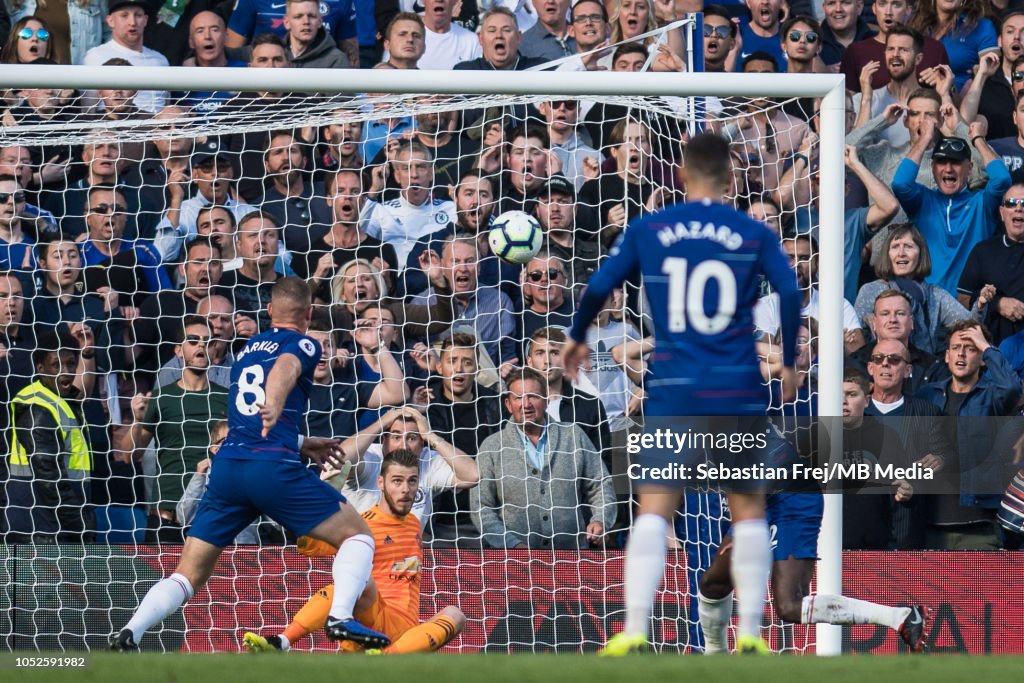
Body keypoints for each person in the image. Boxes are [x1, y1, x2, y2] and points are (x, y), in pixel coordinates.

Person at [563, 132, 802, 656]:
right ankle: (752, 634)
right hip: (736, 388)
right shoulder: (752, 232)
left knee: (653, 511)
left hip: (673, 388)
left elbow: (600, 283)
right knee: (748, 511)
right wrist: (788, 358)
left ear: (680, 174)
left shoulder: (651, 228)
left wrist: (579, 337)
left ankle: (633, 628)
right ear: (732, 177)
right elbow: (788, 291)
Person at [110, 277, 392, 651]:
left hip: (228, 469)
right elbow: (286, 367)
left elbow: (245, 416)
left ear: (269, 311)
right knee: (357, 536)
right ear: (308, 313)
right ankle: (340, 616)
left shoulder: (246, 351)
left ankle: (131, 631)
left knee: (188, 573)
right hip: (271, 468)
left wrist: (302, 441)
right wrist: (275, 403)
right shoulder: (304, 342)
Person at [698, 368, 929, 654]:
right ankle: (713, 656)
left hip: (794, 500)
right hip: (759, 502)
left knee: (789, 605)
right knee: (713, 583)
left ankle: (900, 617)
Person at [242, 448, 467, 655]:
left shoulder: (414, 524)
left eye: (412, 481)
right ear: (380, 482)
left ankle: (386, 655)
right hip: (372, 618)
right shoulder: (360, 525)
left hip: (407, 631)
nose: (405, 489)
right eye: (397, 481)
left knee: (455, 614)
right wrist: (319, 506)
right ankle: (281, 641)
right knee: (354, 583)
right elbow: (309, 547)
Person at [471, 367, 616, 550]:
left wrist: (600, 520)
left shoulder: (573, 435)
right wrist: (512, 545)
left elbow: (601, 483)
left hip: (571, 558)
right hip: (512, 564)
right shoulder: (491, 447)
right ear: (508, 404)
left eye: (533, 396)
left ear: (547, 400)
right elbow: (481, 507)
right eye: (518, 398)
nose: (526, 404)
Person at [117, 315, 230, 541]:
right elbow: (130, 455)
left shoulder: (227, 398)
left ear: (214, 350)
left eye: (207, 341)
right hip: (167, 513)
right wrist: (138, 420)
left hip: (213, 510)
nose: (201, 345)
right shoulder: (162, 397)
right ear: (178, 351)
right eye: (193, 340)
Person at [891, 123, 1011, 295]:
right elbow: (900, 183)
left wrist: (978, 140)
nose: (948, 168)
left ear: (969, 168)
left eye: (955, 162)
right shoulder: (923, 200)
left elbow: (1002, 179)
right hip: (928, 308)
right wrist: (925, 139)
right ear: (933, 167)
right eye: (941, 162)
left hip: (969, 306)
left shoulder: (982, 203)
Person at [5, 328, 97, 543]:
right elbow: (49, 478)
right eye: (57, 365)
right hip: (40, 529)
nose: (66, 371)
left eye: (71, 363)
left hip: (54, 522)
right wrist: (80, 526)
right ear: (40, 367)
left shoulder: (63, 401)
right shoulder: (36, 405)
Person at [856, 224, 986, 355]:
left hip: (925, 369)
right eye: (895, 247)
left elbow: (970, 327)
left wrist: (980, 304)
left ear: (921, 253)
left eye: (908, 246)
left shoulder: (934, 295)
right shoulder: (871, 290)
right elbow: (857, 336)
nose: (901, 253)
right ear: (887, 254)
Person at [958, 182, 1024, 345]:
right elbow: (963, 299)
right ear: (1002, 213)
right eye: (1011, 203)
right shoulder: (983, 251)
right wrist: (997, 304)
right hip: (988, 352)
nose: (1018, 208)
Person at [81, 1, 170, 113]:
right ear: (110, 20)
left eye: (138, 15)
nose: (132, 22)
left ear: (145, 20)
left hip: (156, 129)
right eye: (124, 15)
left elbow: (166, 109)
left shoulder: (160, 60)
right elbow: (88, 112)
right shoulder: (95, 57)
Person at [840, 0, 948, 91]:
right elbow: (847, 104)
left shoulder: (934, 48)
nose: (888, 12)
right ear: (874, 8)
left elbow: (953, 103)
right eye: (882, 4)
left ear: (908, 10)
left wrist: (945, 86)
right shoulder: (856, 51)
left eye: (896, 5)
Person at [283, 0, 350, 69]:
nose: (306, 22)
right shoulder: (275, 55)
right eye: (298, 17)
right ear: (287, 22)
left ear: (320, 21)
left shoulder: (336, 60)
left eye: (312, 16)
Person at [418, 0, 482, 70]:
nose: (439, 0)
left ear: (455, 1)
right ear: (423, 1)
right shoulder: (407, 38)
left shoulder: (472, 41)